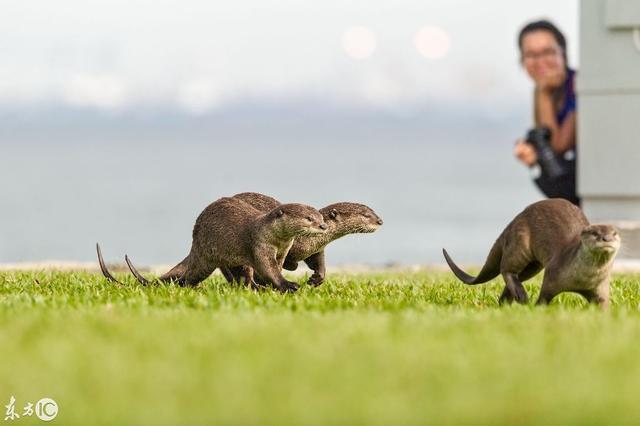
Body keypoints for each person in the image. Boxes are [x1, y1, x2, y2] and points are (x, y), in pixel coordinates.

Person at [513, 20, 579, 206]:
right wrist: (533, 158)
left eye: (548, 52)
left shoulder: (577, 87)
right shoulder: (548, 91)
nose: (540, 61)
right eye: (531, 55)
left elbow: (557, 146)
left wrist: (542, 93)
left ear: (563, 54)